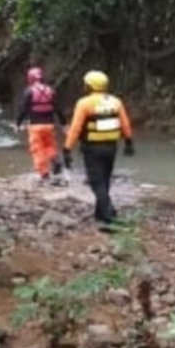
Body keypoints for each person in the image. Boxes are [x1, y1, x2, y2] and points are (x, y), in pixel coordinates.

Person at [62, 70, 135, 230]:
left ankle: (109, 215)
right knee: (105, 179)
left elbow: (75, 129)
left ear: (89, 86)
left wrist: (67, 148)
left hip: (92, 148)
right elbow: (125, 124)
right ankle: (100, 213)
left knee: (97, 182)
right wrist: (129, 142)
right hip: (111, 147)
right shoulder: (115, 101)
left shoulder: (84, 103)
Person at [15, 67, 67, 184]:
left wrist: (17, 124)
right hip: (49, 125)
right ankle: (55, 160)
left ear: (30, 78)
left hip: (35, 126)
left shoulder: (28, 91)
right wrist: (64, 124)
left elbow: (22, 109)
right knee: (50, 146)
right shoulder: (51, 91)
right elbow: (58, 109)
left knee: (37, 150)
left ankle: (44, 174)